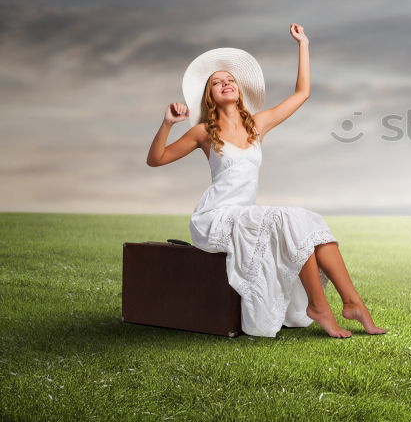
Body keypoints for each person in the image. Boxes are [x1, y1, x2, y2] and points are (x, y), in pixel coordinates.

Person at [146, 23, 386, 338]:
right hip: (217, 217)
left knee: (308, 220)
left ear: (239, 88)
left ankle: (353, 303)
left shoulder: (257, 124)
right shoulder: (203, 131)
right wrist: (167, 123)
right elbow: (156, 159)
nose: (226, 83)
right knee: (287, 218)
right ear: (210, 95)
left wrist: (304, 45)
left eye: (230, 79)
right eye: (217, 82)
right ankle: (319, 307)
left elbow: (303, 93)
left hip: (246, 213)